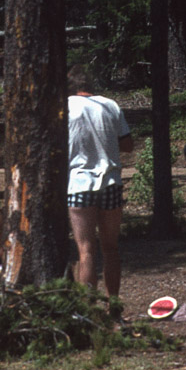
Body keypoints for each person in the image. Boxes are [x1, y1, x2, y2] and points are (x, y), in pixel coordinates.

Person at [66, 64, 134, 297]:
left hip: (78, 183)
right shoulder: (110, 105)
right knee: (111, 248)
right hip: (111, 181)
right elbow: (127, 145)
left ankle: (88, 312)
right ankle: (114, 307)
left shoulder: (65, 107)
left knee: (85, 251)